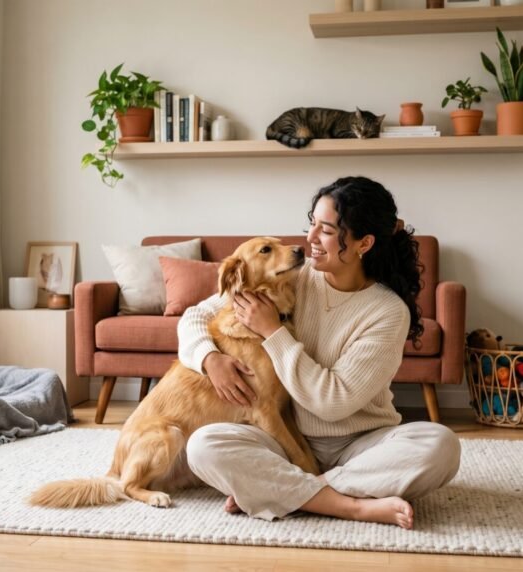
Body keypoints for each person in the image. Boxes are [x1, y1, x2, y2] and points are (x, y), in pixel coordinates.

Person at [177, 176, 460, 529]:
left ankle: (288, 492)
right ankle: (351, 504)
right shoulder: (293, 273)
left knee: (440, 446)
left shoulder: (387, 312)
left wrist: (272, 331)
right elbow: (196, 315)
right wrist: (209, 358)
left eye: (325, 230)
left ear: (363, 243)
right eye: (312, 224)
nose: (309, 239)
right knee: (203, 445)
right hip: (286, 439)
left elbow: (332, 402)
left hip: (361, 444)